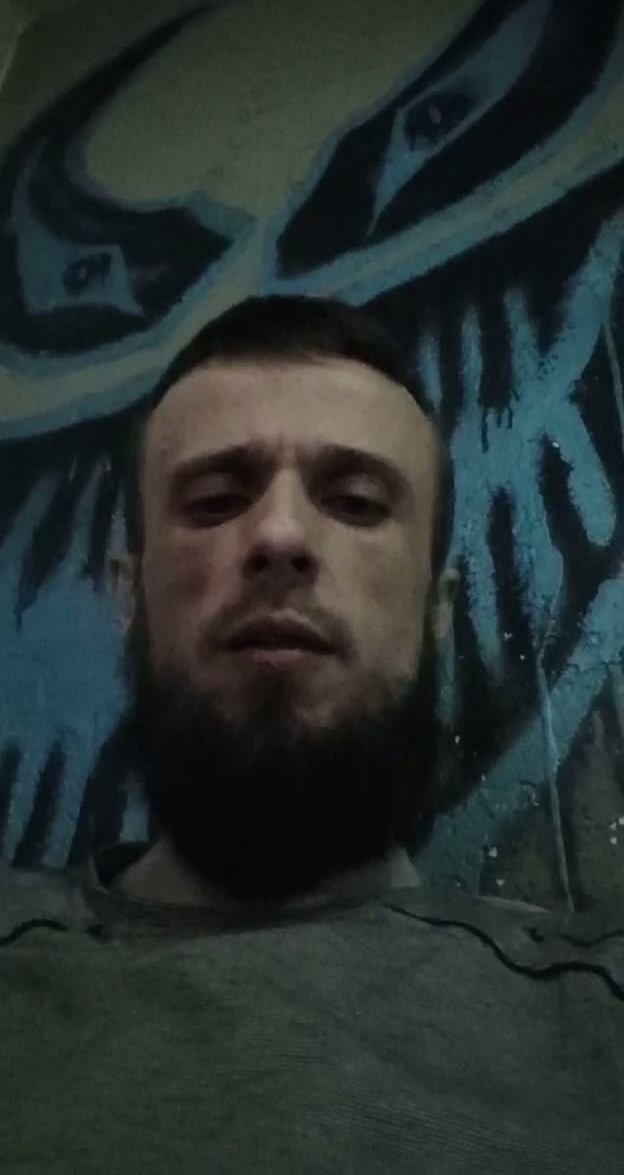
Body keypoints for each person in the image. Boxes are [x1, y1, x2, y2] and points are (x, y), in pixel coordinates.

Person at [0, 295, 622, 1173]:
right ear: (128, 594)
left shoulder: (593, 1024)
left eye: (357, 502)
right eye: (216, 500)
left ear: (437, 609)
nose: (281, 534)